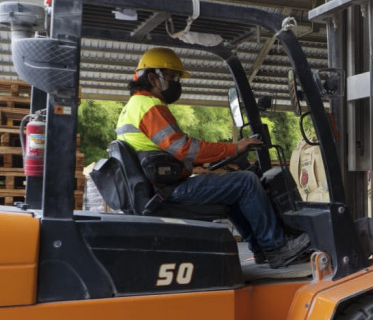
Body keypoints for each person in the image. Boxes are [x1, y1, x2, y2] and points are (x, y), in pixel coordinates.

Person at [116, 47, 310, 268]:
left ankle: (261, 249)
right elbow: (185, 149)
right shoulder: (149, 107)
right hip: (168, 190)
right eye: (172, 77)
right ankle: (276, 247)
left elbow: (171, 153)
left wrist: (221, 155)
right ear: (153, 77)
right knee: (246, 181)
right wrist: (233, 148)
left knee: (234, 187)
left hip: (159, 186)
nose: (177, 83)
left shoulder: (132, 107)